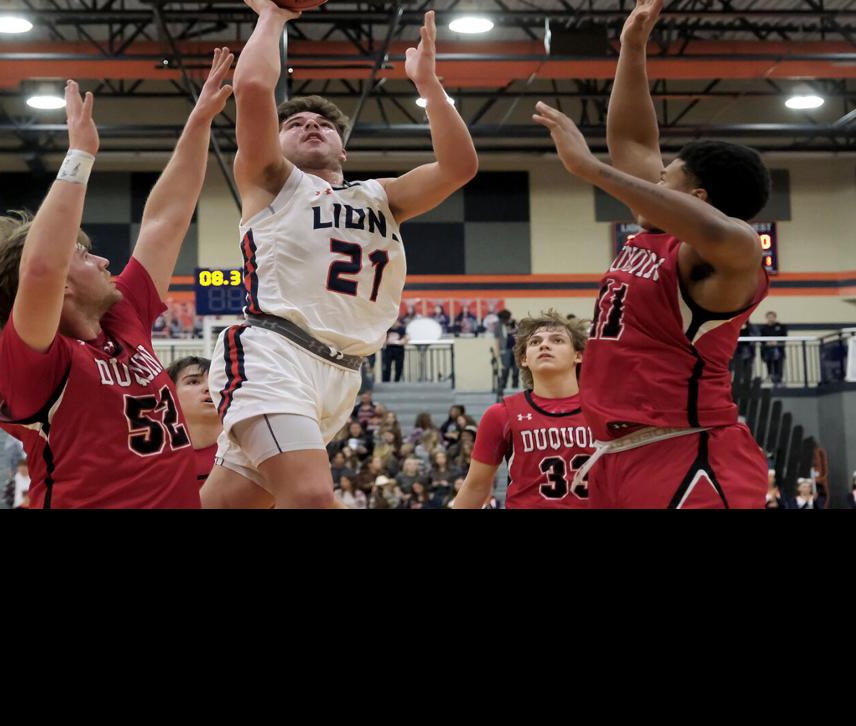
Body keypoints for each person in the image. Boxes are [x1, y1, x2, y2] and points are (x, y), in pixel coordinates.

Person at [203, 1, 476, 508]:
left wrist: (429, 86)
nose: (311, 126)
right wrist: (273, 15)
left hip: (343, 374)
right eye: (296, 124)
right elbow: (256, 89)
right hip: (274, 351)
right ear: (274, 144)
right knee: (311, 498)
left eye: (323, 125)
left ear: (343, 149)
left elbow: (458, 167)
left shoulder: (383, 196)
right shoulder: (273, 182)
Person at [532, 0, 771, 508]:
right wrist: (632, 47)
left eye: (666, 182)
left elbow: (736, 237)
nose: (650, 186)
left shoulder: (724, 256)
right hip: (616, 453)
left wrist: (591, 170)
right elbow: (633, 138)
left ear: (698, 199)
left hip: (690, 452)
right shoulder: (657, 235)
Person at [0, 61, 231, 509]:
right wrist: (80, 156)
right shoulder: (34, 362)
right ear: (61, 286)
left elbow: (166, 222)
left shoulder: (122, 317)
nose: (106, 260)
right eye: (85, 254)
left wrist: (199, 123)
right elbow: (39, 269)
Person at [451, 310, 593, 508]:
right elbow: (476, 487)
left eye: (557, 340)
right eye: (535, 342)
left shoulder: (603, 410)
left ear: (578, 355)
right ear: (524, 359)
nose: (544, 345)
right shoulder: (501, 414)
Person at [166, 355, 223, 484]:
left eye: (216, 381)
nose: (209, 388)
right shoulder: (152, 454)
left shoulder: (250, 447)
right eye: (193, 382)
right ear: (169, 393)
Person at [758, 310, 787, 386]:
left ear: (775, 317)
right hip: (767, 351)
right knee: (769, 367)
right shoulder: (764, 328)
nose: (770, 319)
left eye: (772, 317)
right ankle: (771, 379)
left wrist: (776, 342)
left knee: (779, 366)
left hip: (778, 351)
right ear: (766, 318)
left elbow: (784, 337)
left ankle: (779, 381)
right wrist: (767, 342)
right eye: (769, 317)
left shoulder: (780, 326)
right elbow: (761, 339)